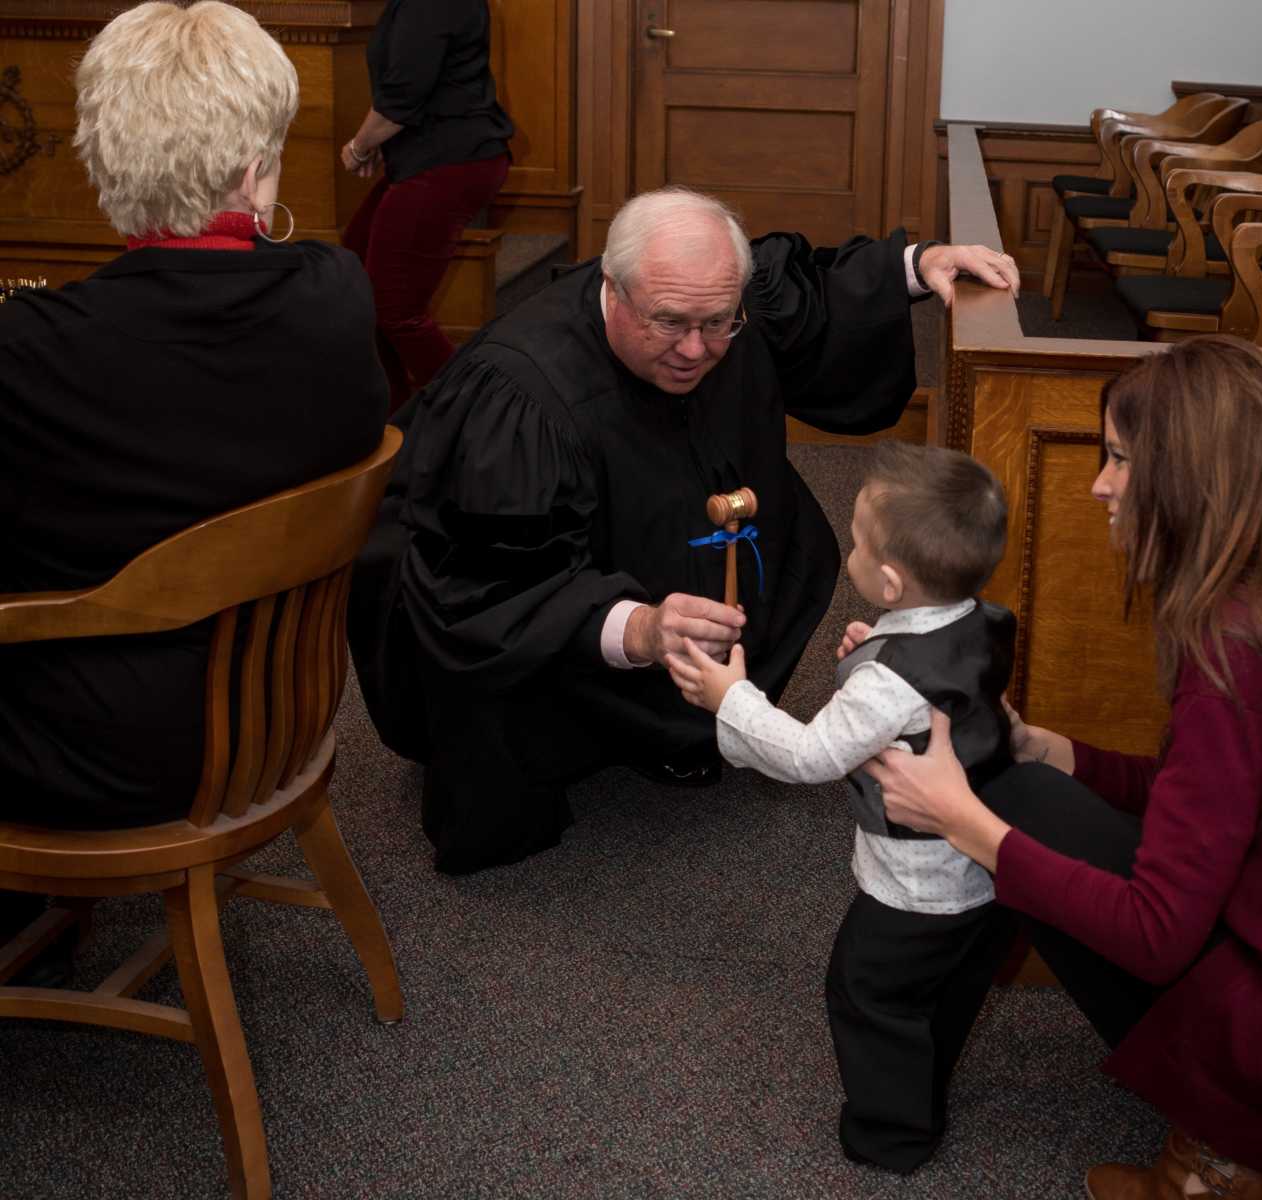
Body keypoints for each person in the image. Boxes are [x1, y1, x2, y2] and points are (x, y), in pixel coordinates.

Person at [865, 335, 1262, 1197]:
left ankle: (1228, 1157)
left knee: (1013, 806)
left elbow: (1155, 936)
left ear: (1188, 478)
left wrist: (966, 824)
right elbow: (1217, 809)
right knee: (1034, 782)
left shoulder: (1237, 650)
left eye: (1121, 459)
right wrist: (1055, 749)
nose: (1099, 483)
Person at [348, 184, 1021, 875]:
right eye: (668, 323)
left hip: (689, 528)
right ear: (613, 289)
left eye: (718, 323)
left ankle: (693, 725)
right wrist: (639, 628)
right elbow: (492, 579)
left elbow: (807, 293)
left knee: (795, 545)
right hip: (540, 575)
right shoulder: (523, 395)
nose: (695, 351)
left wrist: (917, 264)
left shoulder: (714, 296)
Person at [0, 1, 387, 967]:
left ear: (103, 165)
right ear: (256, 167)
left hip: (98, 754)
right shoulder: (338, 296)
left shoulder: (34, 357)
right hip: (273, 718)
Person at [666, 442, 1017, 1174]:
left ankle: (893, 1134)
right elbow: (926, 679)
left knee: (868, 993)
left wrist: (731, 699)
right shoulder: (980, 617)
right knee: (948, 984)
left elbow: (807, 756)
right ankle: (928, 1080)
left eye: (856, 543)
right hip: (985, 864)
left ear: (889, 582)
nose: (849, 550)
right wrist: (875, 652)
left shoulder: (888, 685)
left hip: (915, 885)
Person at [340, 0, 514, 412]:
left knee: (395, 308)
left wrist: (359, 147)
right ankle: (391, 417)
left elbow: (401, 98)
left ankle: (480, 417)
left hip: (451, 159)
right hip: (431, 154)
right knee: (355, 271)